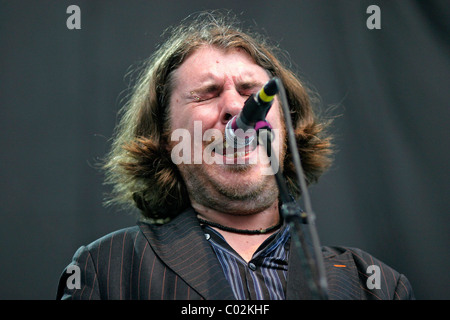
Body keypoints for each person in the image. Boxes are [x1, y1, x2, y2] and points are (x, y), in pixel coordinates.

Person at [56, 11, 414, 300]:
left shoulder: (376, 284)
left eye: (250, 91)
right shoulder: (108, 271)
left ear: (286, 130)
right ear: (167, 138)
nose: (234, 106)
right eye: (206, 94)